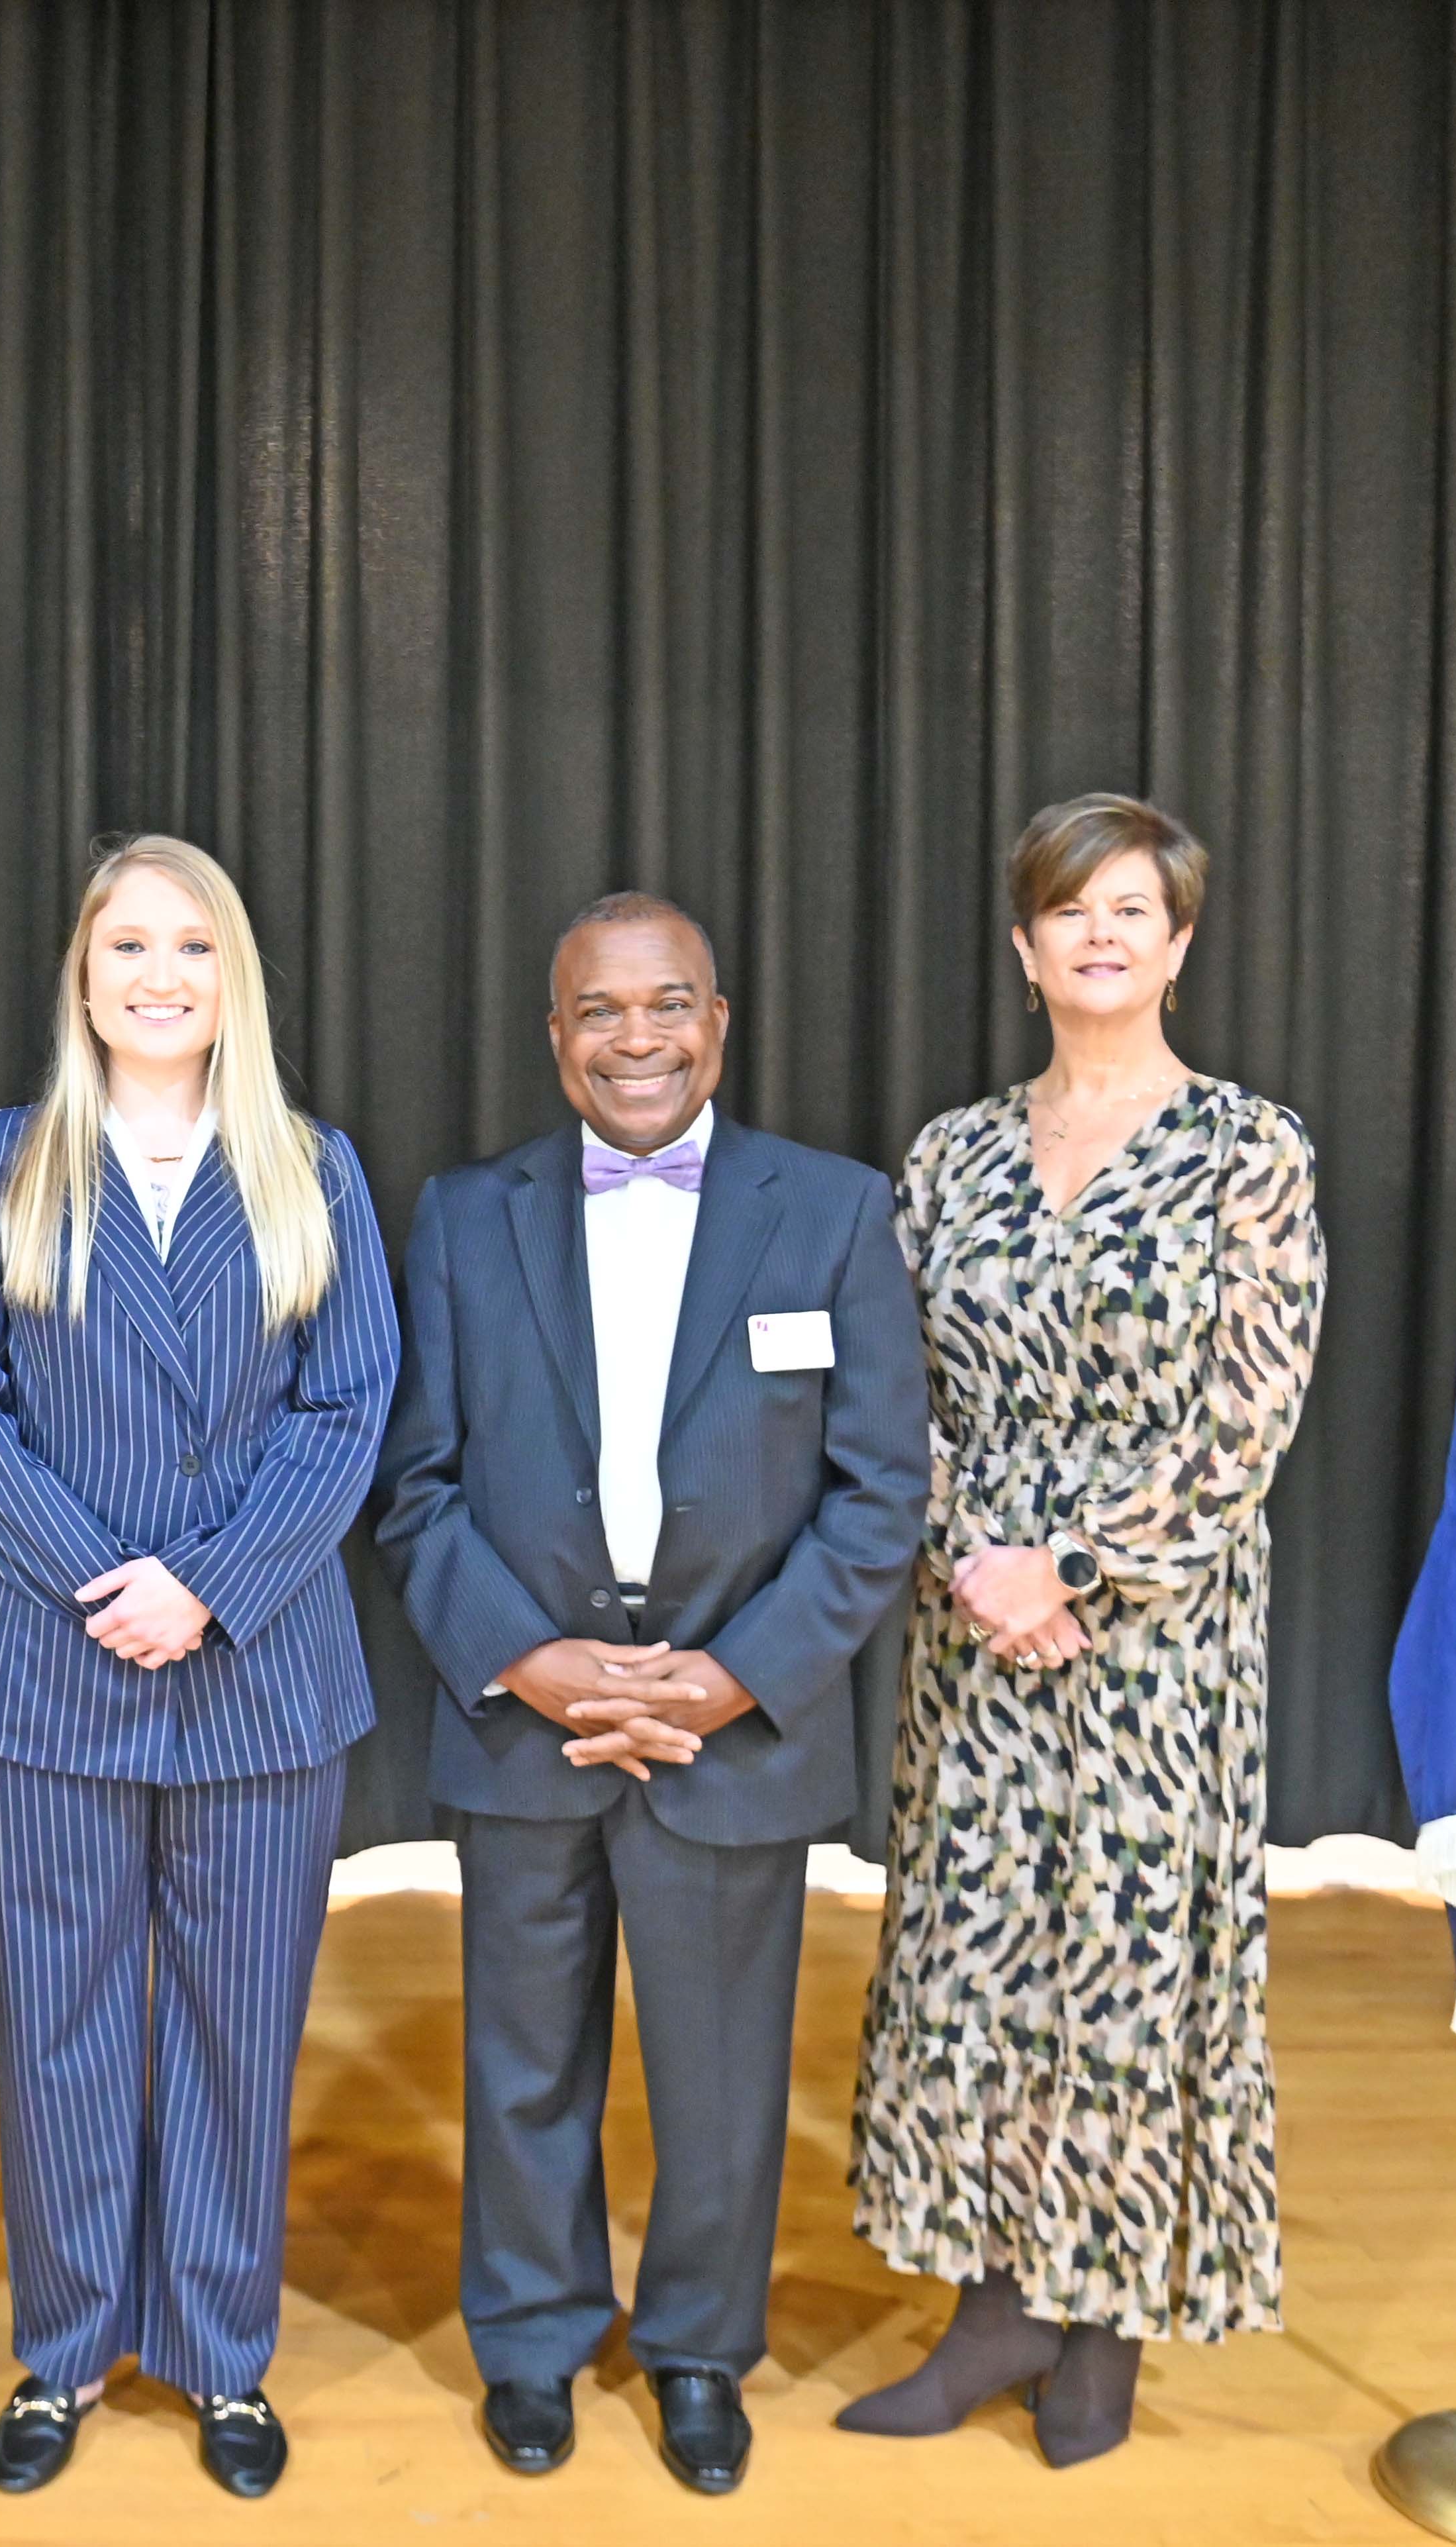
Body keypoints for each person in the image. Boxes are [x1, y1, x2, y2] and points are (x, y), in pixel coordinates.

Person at [374, 891, 926, 2496]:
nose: (637, 1038)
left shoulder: (829, 1211)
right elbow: (416, 1485)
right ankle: (534, 2340)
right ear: (556, 1039)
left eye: (666, 1005)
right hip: (523, 1719)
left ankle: (697, 2350)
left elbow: (878, 1491)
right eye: (599, 1012)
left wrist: (727, 1675)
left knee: (723, 2069)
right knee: (523, 2058)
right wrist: (535, 1663)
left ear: (720, 1021)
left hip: (731, 1727)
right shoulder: (466, 1217)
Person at [0, 836, 399, 2502]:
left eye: (190, 946)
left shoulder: (309, 1168)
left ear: (231, 976)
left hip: (257, 1681)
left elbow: (349, 1408)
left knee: (236, 2030)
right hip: (45, 1673)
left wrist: (212, 1589)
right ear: (83, 973)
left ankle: (219, 2357)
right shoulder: (1, 1159)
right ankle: (61, 2352)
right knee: (57, 2028)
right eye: (127, 945)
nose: (158, 975)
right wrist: (96, 1580)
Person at [841, 794, 1324, 2469]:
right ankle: (990, 2310)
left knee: (1122, 1970)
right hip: (974, 1621)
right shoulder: (953, 1155)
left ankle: (1103, 2321)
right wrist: (980, 1556)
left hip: (1158, 1642)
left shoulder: (1251, 1153)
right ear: (1029, 944)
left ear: (1180, 945)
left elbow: (1248, 1424)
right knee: (976, 1955)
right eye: (1073, 909)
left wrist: (1075, 1567)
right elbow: (888, 1388)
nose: (1103, 934)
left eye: (1137, 909)